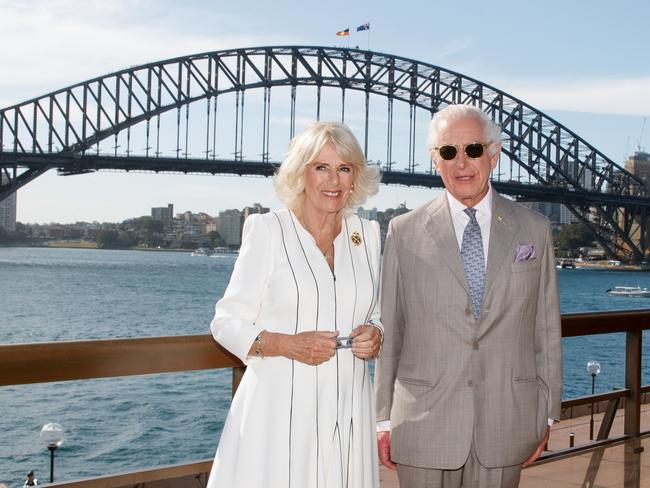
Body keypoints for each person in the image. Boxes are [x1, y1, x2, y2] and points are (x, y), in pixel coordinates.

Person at [375, 104, 563, 488]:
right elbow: (390, 329)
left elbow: (546, 330)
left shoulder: (535, 230)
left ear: (494, 154)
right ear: (435, 160)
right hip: (421, 422)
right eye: (448, 151)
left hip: (507, 420)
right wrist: (382, 419)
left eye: (473, 149)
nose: (462, 162)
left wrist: (545, 414)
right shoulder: (403, 231)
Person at [207, 121, 383, 488]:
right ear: (301, 172)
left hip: (349, 408)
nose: (333, 180)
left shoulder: (366, 236)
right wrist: (286, 344)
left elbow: (378, 312)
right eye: (321, 167)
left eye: (344, 168)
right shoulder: (268, 230)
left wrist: (376, 333)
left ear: (355, 178)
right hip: (279, 410)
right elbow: (226, 322)